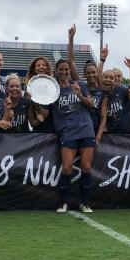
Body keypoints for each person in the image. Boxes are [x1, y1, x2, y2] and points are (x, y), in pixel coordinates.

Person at [52, 24, 97, 213]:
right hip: (67, 133)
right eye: (60, 70)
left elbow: (92, 105)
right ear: (56, 72)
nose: (64, 72)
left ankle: (84, 202)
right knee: (67, 168)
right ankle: (63, 202)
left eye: (66, 70)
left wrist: (79, 95)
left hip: (86, 130)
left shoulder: (79, 84)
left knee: (86, 167)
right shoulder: (53, 89)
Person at [101, 58, 130, 133]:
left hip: (129, 132)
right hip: (113, 135)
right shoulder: (101, 94)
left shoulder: (123, 90)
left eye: (112, 78)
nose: (108, 80)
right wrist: (102, 60)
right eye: (106, 77)